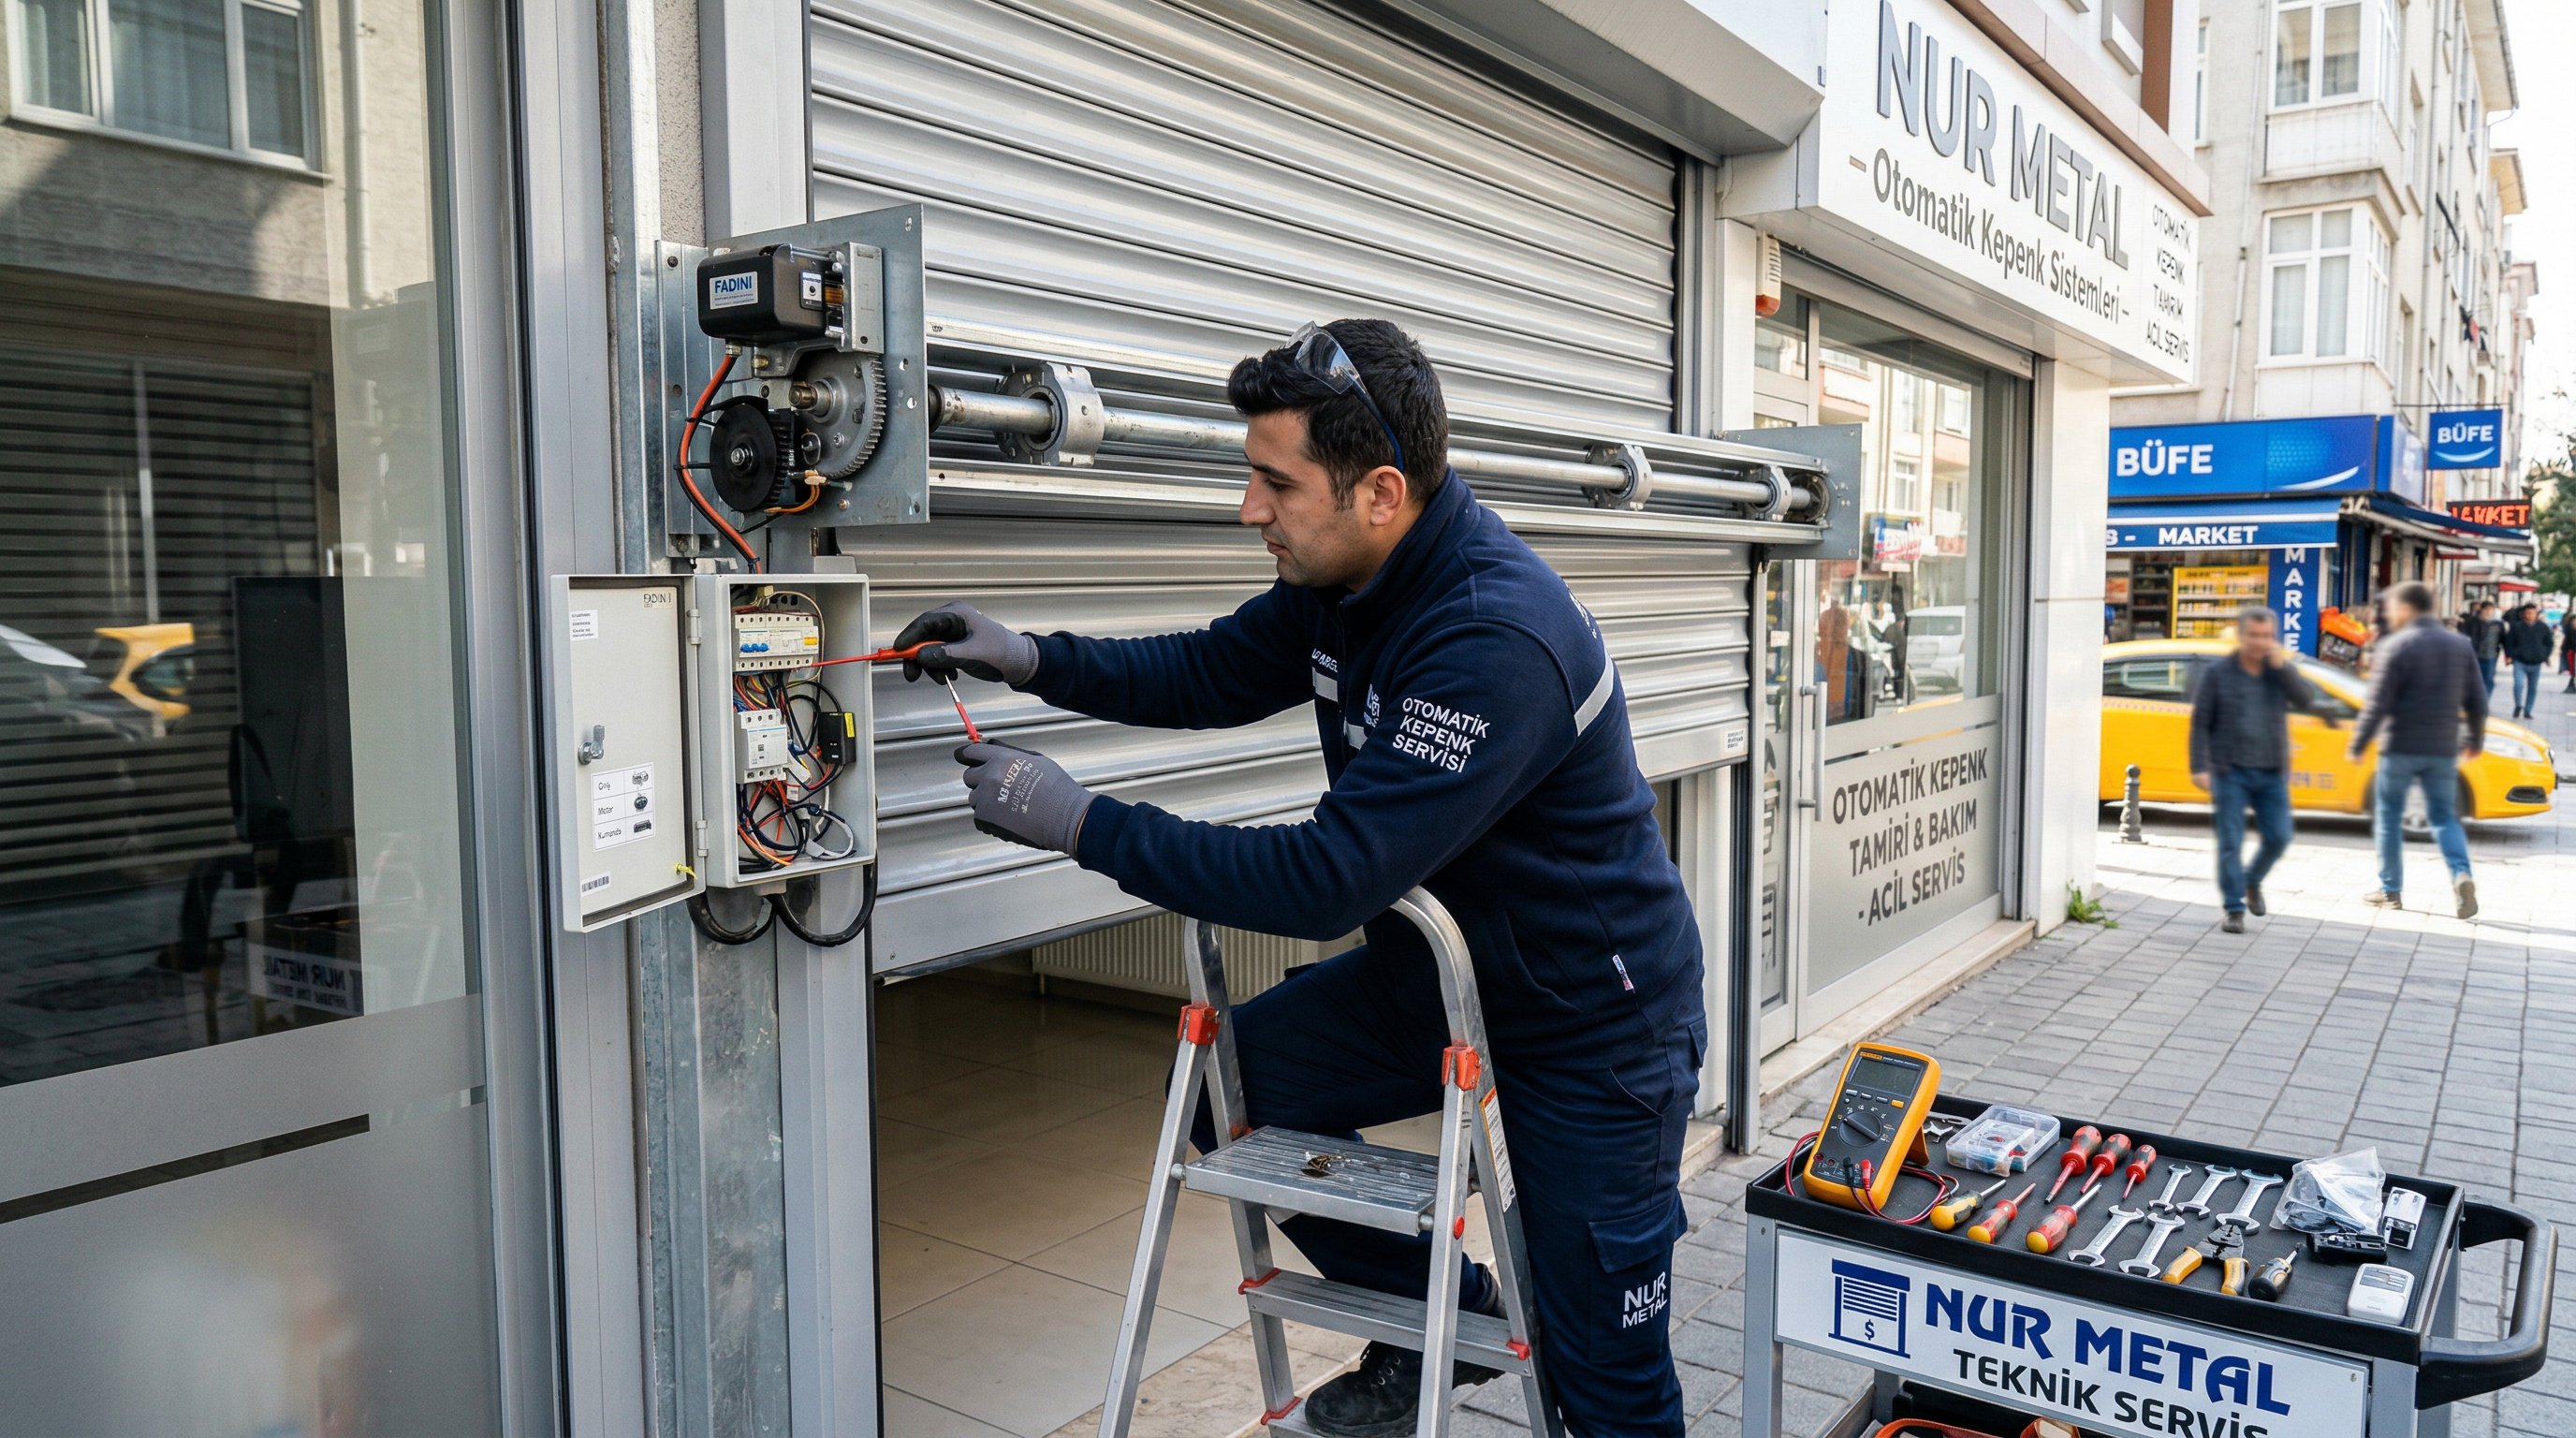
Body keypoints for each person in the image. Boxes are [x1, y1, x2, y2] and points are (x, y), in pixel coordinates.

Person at [891, 319, 1705, 1437]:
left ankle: (1548, 1352)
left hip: (1592, 1020)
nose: (1249, 510)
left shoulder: (1492, 637)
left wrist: (1080, 824)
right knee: (1239, 1091)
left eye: (1274, 482)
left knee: (1597, 1369)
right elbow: (1212, 668)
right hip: (1441, 978)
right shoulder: (1351, 575)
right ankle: (1438, 1314)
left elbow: (1328, 879)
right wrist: (1031, 658)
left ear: (1378, 491)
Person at [2188, 608, 2334, 933]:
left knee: (2280, 836)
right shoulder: (2218, 673)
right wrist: (2199, 766)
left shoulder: (2278, 672)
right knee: (2230, 841)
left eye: (2266, 636)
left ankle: (2252, 881)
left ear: (2274, 639)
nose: (2260, 642)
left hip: (2270, 770)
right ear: (2241, 637)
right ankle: (2233, 908)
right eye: (2254, 635)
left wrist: (2283, 669)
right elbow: (2200, 722)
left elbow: (2306, 698)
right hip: (2230, 770)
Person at [2349, 581, 2486, 917]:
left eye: (2395, 607)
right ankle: (2461, 874)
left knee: (2389, 818)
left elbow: (2377, 703)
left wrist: (2359, 743)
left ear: (2408, 609)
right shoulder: (2460, 645)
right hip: (2442, 746)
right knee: (2443, 818)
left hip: (2399, 747)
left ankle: (2390, 890)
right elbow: (2477, 700)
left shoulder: (2394, 646)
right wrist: (2475, 740)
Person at [2502, 601, 2554, 719]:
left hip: (2536, 662)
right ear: (2524, 614)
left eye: (2532, 613)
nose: (2530, 615)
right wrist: (2510, 655)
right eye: (2528, 613)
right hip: (2519, 661)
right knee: (2519, 684)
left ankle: (2528, 710)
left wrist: (2545, 655)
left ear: (2536, 614)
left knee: (2533, 688)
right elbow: (2509, 642)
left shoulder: (2543, 627)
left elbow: (2549, 643)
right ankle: (2518, 705)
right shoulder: (2517, 627)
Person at [2464, 600, 2505, 694]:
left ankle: (2485, 701)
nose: (2488, 612)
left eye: (2491, 610)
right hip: (2475, 655)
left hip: (2491, 655)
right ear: (2481, 610)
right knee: (2474, 679)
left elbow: (2503, 639)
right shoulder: (2472, 621)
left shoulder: (2498, 624)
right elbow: (2465, 636)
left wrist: (2508, 654)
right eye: (2486, 609)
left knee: (2489, 679)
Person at [2560, 609, 2576, 693]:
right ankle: (2572, 684)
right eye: (2574, 621)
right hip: (2572, 653)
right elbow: (2566, 643)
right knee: (2573, 669)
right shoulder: (2569, 631)